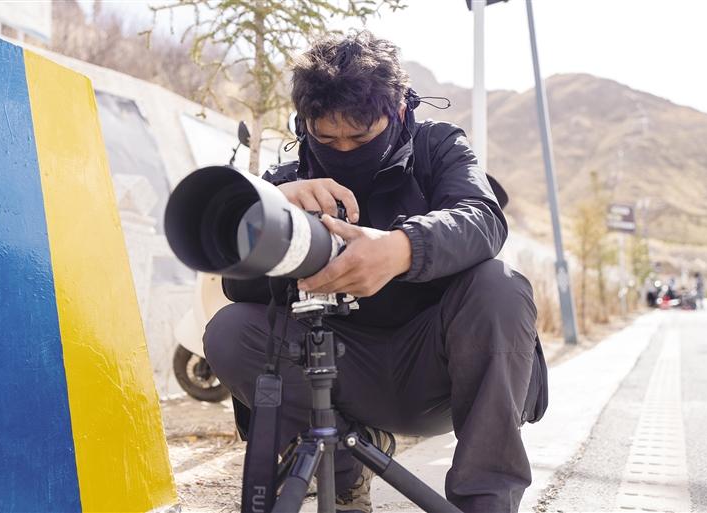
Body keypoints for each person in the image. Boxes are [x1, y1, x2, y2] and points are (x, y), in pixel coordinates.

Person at [203, 30, 546, 513]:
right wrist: (270, 212)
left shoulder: (438, 147)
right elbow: (236, 286)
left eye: (362, 137)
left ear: (399, 112)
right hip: (337, 369)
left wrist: (402, 249)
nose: (344, 149)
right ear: (303, 123)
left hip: (439, 368)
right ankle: (347, 472)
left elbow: (483, 219)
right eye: (327, 138)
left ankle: (486, 503)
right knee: (230, 330)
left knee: (499, 285)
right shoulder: (287, 182)